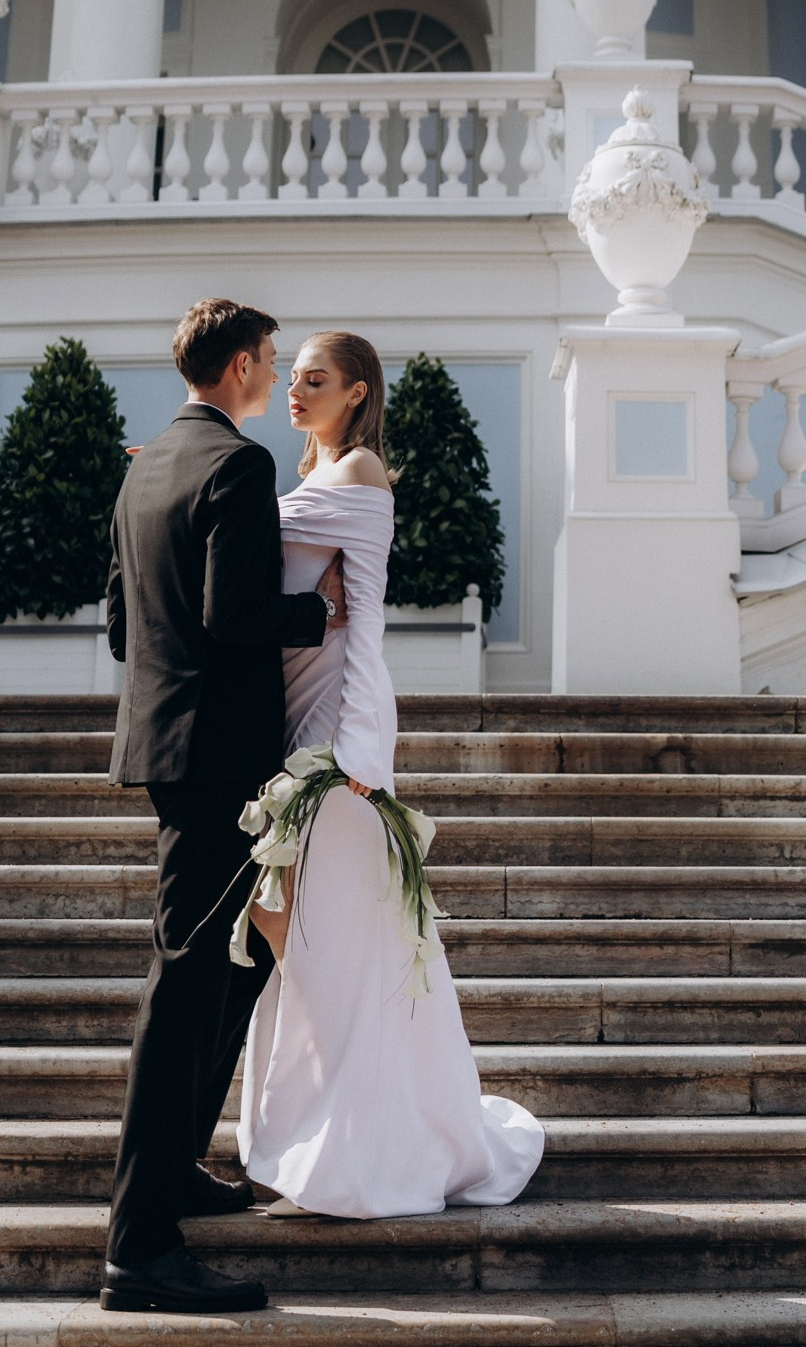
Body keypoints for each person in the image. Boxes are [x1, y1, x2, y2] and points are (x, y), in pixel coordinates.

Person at [235, 330, 545, 1215]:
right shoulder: (308, 480)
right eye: (290, 379)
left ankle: (356, 1144)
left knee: (324, 932)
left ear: (359, 393)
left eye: (315, 380)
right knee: (292, 927)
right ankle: (304, 1131)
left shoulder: (360, 474)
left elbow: (326, 601)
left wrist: (185, 487)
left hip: (340, 728)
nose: (295, 391)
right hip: (294, 719)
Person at [100, 299, 349, 1318]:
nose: (276, 373)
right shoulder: (239, 467)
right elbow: (237, 614)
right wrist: (316, 611)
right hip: (221, 762)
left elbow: (124, 628)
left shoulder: (146, 461)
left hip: (164, 746)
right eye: (273, 360)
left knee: (222, 974)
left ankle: (182, 1172)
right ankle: (139, 1250)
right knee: (184, 990)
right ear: (243, 364)